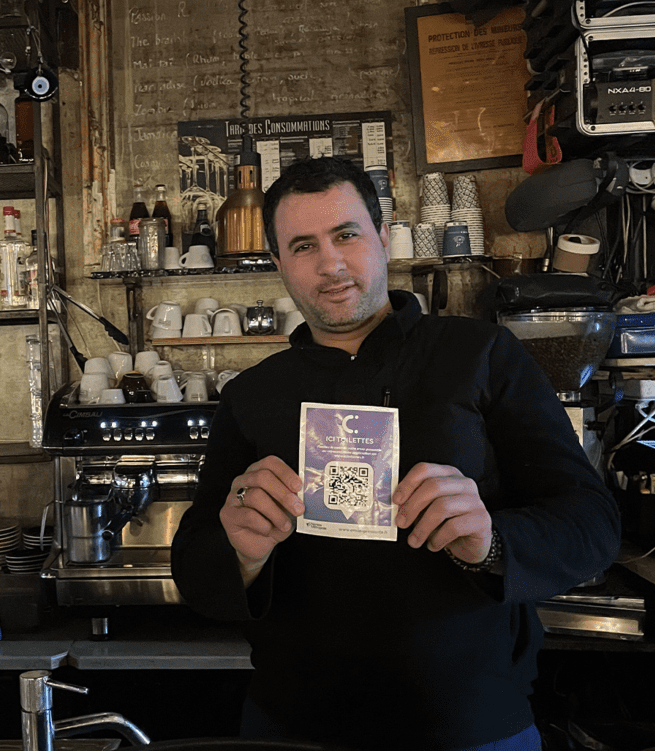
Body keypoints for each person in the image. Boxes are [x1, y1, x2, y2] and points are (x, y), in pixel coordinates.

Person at [171, 157, 621, 751]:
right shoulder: (253, 394)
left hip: (471, 722)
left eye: (347, 235)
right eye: (303, 246)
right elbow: (197, 574)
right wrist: (241, 552)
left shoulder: (482, 354)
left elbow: (591, 525)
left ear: (383, 239)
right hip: (295, 727)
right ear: (279, 265)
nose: (330, 264)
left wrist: (493, 542)